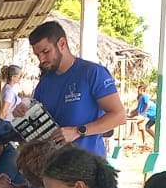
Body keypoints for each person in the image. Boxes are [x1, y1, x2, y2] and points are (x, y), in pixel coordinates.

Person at [25, 20, 126, 157]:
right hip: (54, 166)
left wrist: (78, 131)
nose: (41, 59)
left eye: (46, 51)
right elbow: (39, 128)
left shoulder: (92, 73)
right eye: (37, 55)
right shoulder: (44, 83)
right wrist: (25, 115)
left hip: (89, 165)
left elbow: (119, 116)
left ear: (62, 44)